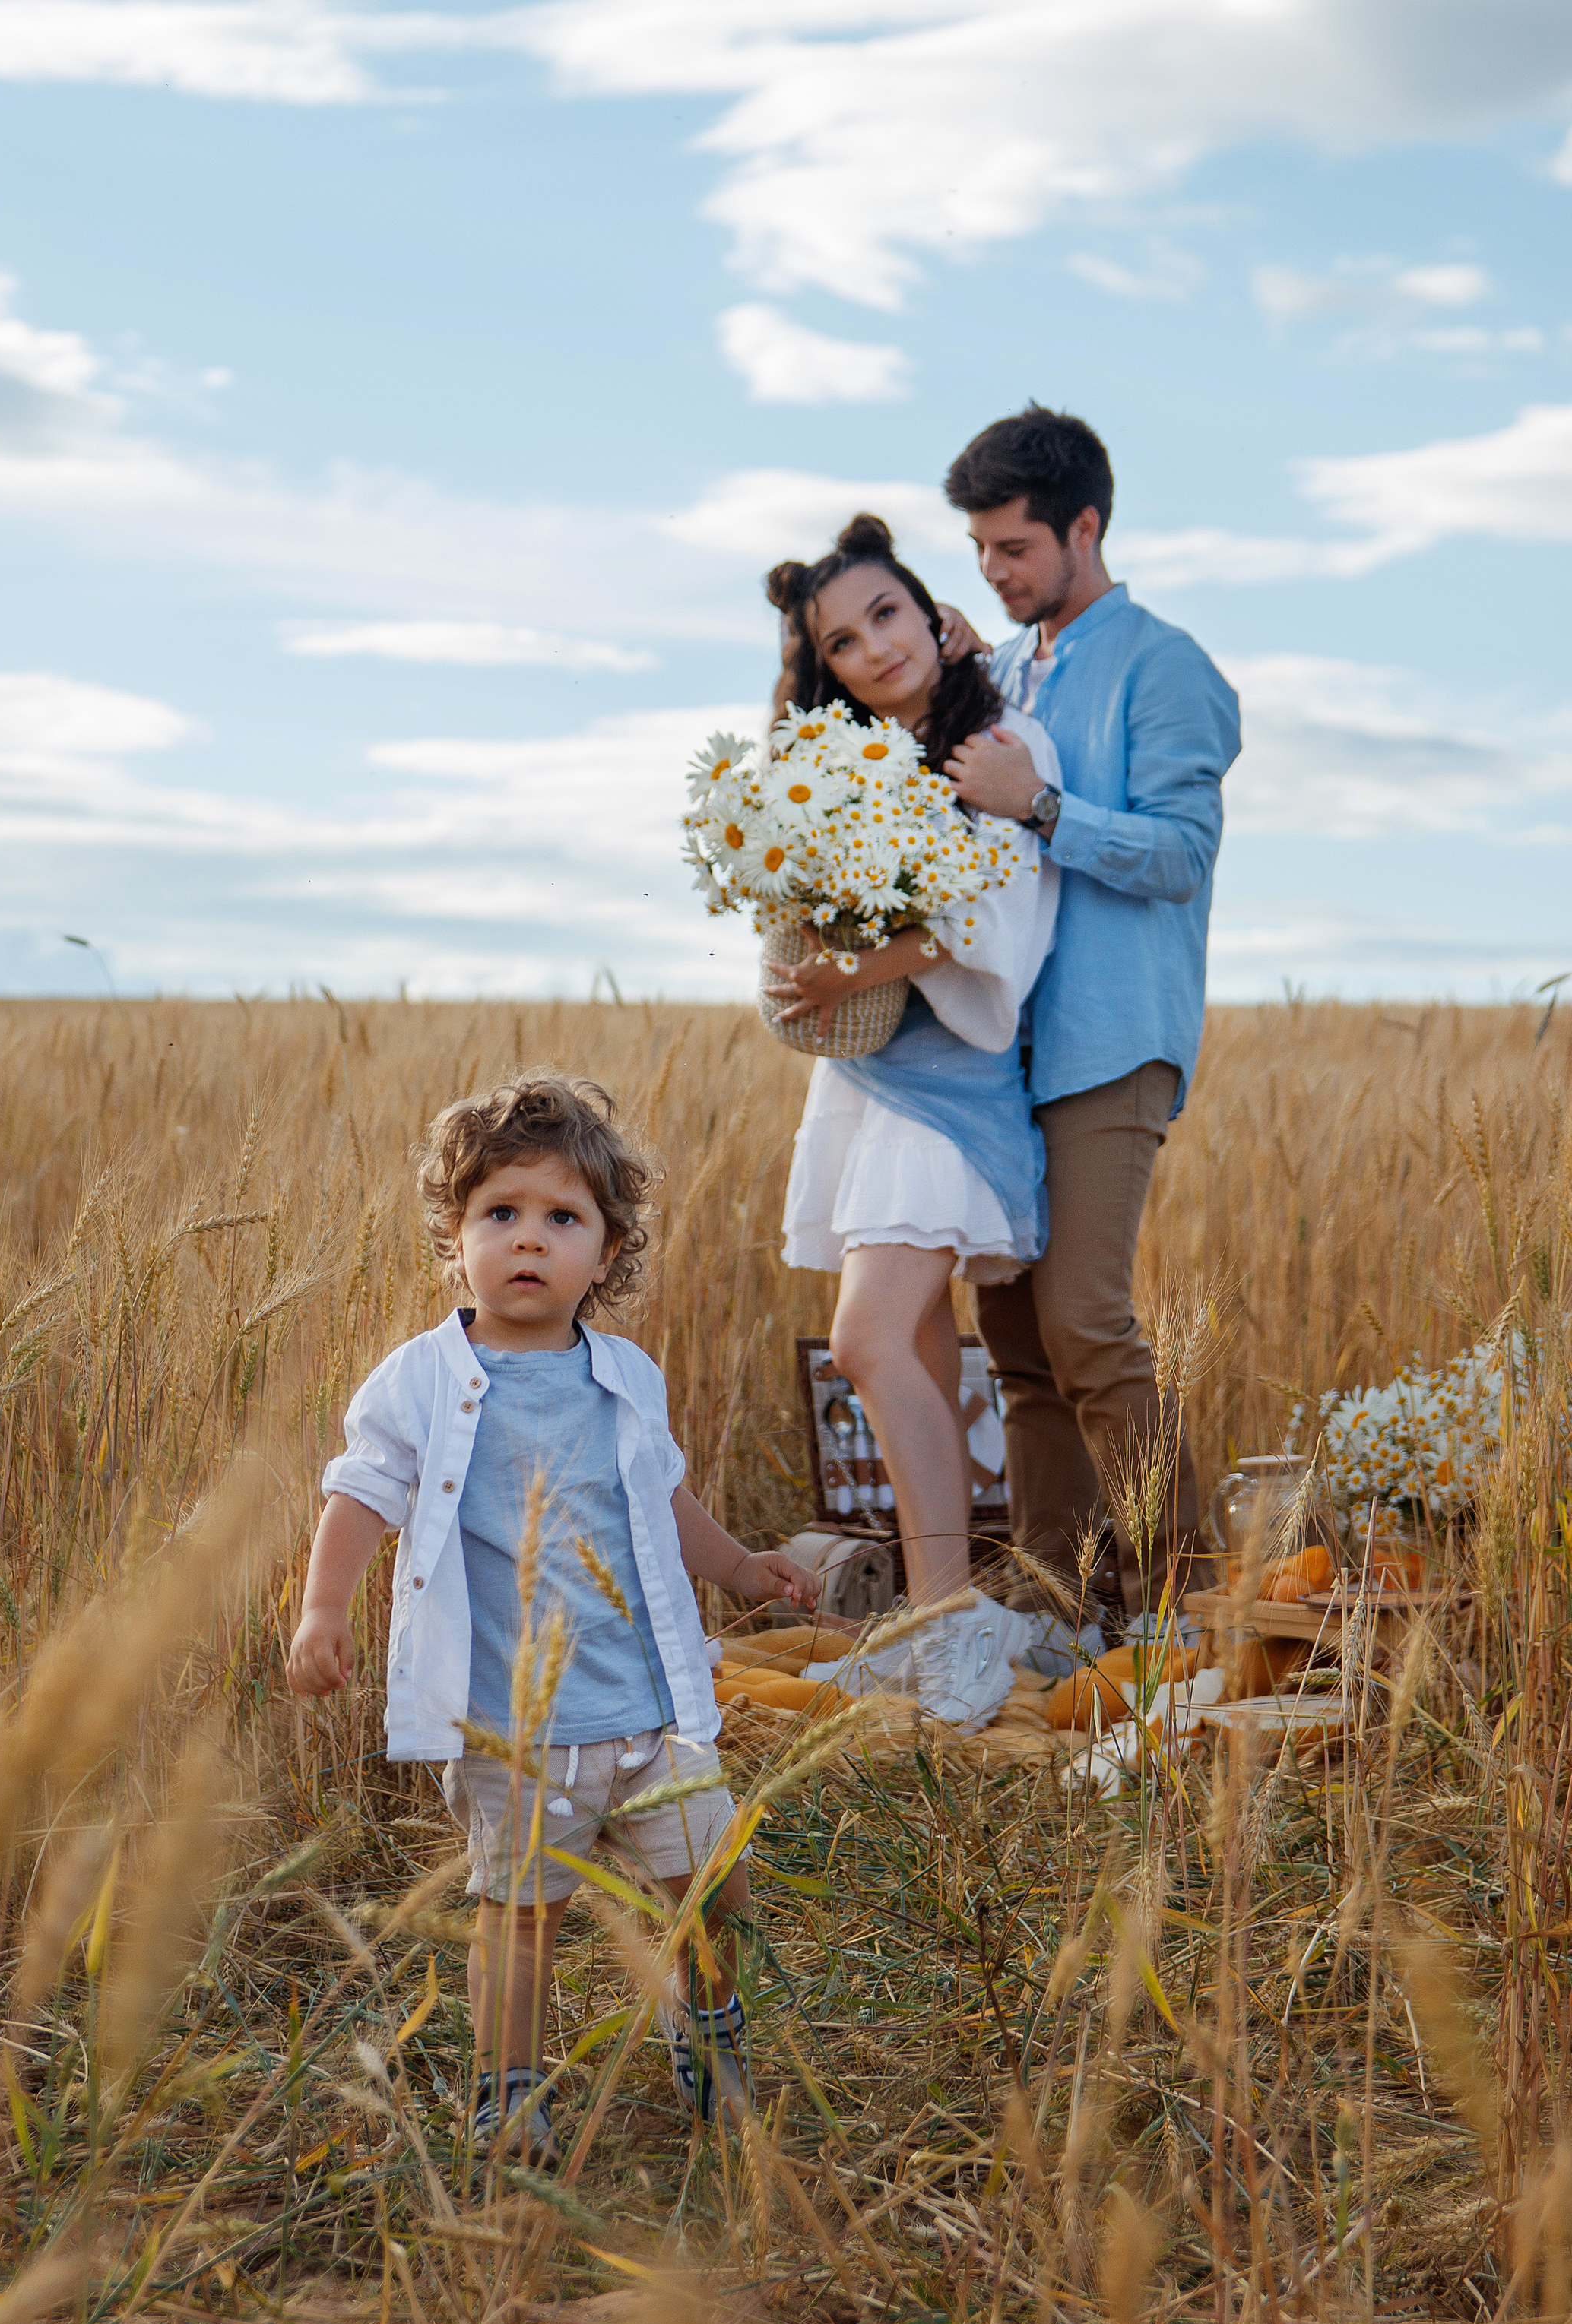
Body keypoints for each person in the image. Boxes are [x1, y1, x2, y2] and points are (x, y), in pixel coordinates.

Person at [284, 1074, 817, 2169]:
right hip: (514, 1727)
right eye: (501, 1214)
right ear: (456, 1238)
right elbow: (362, 1492)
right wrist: (323, 1607)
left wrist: (738, 1569)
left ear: (608, 1254)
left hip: (651, 1713)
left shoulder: (624, 1376)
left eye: (563, 1218)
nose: (529, 1239)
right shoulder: (423, 1381)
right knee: (521, 1918)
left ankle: (709, 2032)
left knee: (714, 1889)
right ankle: (508, 2094)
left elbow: (661, 1497)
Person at [940, 405, 1241, 1618]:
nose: (995, 571)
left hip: (1112, 1039)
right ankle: (1054, 1603)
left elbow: (1180, 853)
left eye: (1014, 548)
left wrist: (1042, 806)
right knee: (1016, 1337)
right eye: (980, 552)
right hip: (998, 1046)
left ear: (1085, 527)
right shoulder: (1007, 670)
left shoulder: (1169, 667)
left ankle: (1189, 1601)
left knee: (1084, 1322)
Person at [763, 513, 1059, 1631]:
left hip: (953, 1086)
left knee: (866, 1337)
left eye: (887, 613)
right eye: (841, 641)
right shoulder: (848, 767)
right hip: (869, 1080)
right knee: (922, 1350)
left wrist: (854, 969)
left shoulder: (999, 742)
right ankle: (948, 1610)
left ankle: (946, 1621)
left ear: (930, 613)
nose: (874, 647)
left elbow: (992, 909)